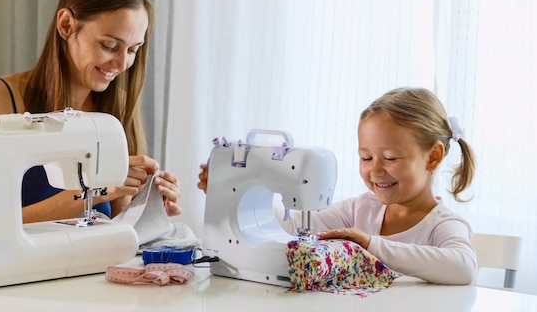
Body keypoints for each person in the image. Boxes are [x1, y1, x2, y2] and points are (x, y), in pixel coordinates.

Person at [0, 0, 182, 223]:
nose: (123, 63)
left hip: (92, 262)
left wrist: (150, 206)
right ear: (66, 25)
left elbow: (117, 217)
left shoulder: (115, 108)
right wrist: (95, 190)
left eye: (133, 50)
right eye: (109, 45)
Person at [197, 87, 477, 285]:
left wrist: (370, 245)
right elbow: (292, 226)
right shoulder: (360, 210)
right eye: (365, 157)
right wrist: (230, 192)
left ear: (434, 157)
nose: (375, 170)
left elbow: (463, 268)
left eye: (390, 158)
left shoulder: (442, 225)